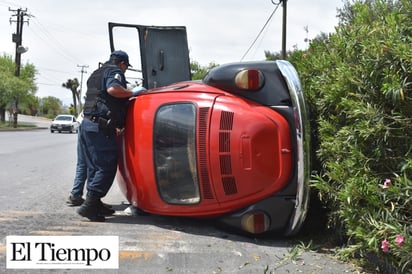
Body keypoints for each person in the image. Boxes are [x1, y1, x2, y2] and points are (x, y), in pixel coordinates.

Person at [77, 50, 142, 222]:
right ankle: (90, 204)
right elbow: (113, 89)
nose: (125, 70)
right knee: (106, 165)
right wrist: (133, 92)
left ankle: (95, 202)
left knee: (94, 166)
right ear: (122, 63)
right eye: (126, 67)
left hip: (87, 124)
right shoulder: (115, 71)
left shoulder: (96, 73)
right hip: (101, 127)